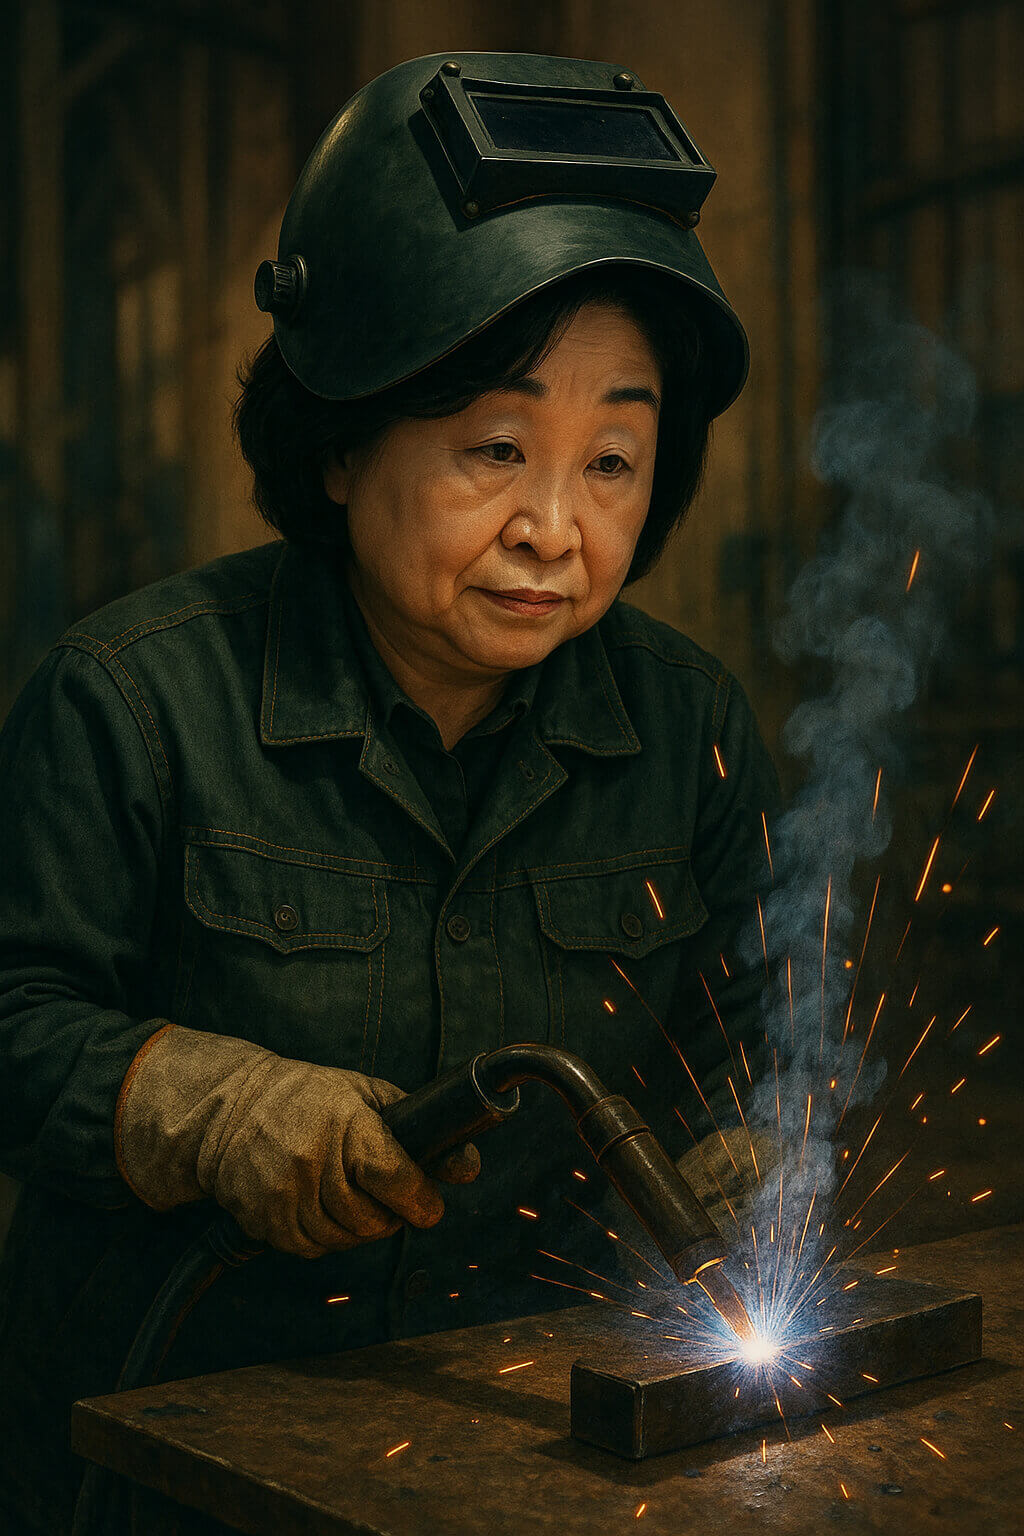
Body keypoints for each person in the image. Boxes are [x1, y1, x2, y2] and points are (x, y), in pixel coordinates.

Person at [0, 50, 779, 1534]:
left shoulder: (693, 729)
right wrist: (196, 1103)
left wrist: (758, 1145)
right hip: (162, 1457)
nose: (555, 526)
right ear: (344, 443)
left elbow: (747, 1027)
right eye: (496, 448)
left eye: (614, 457)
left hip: (526, 1441)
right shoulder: (133, 701)